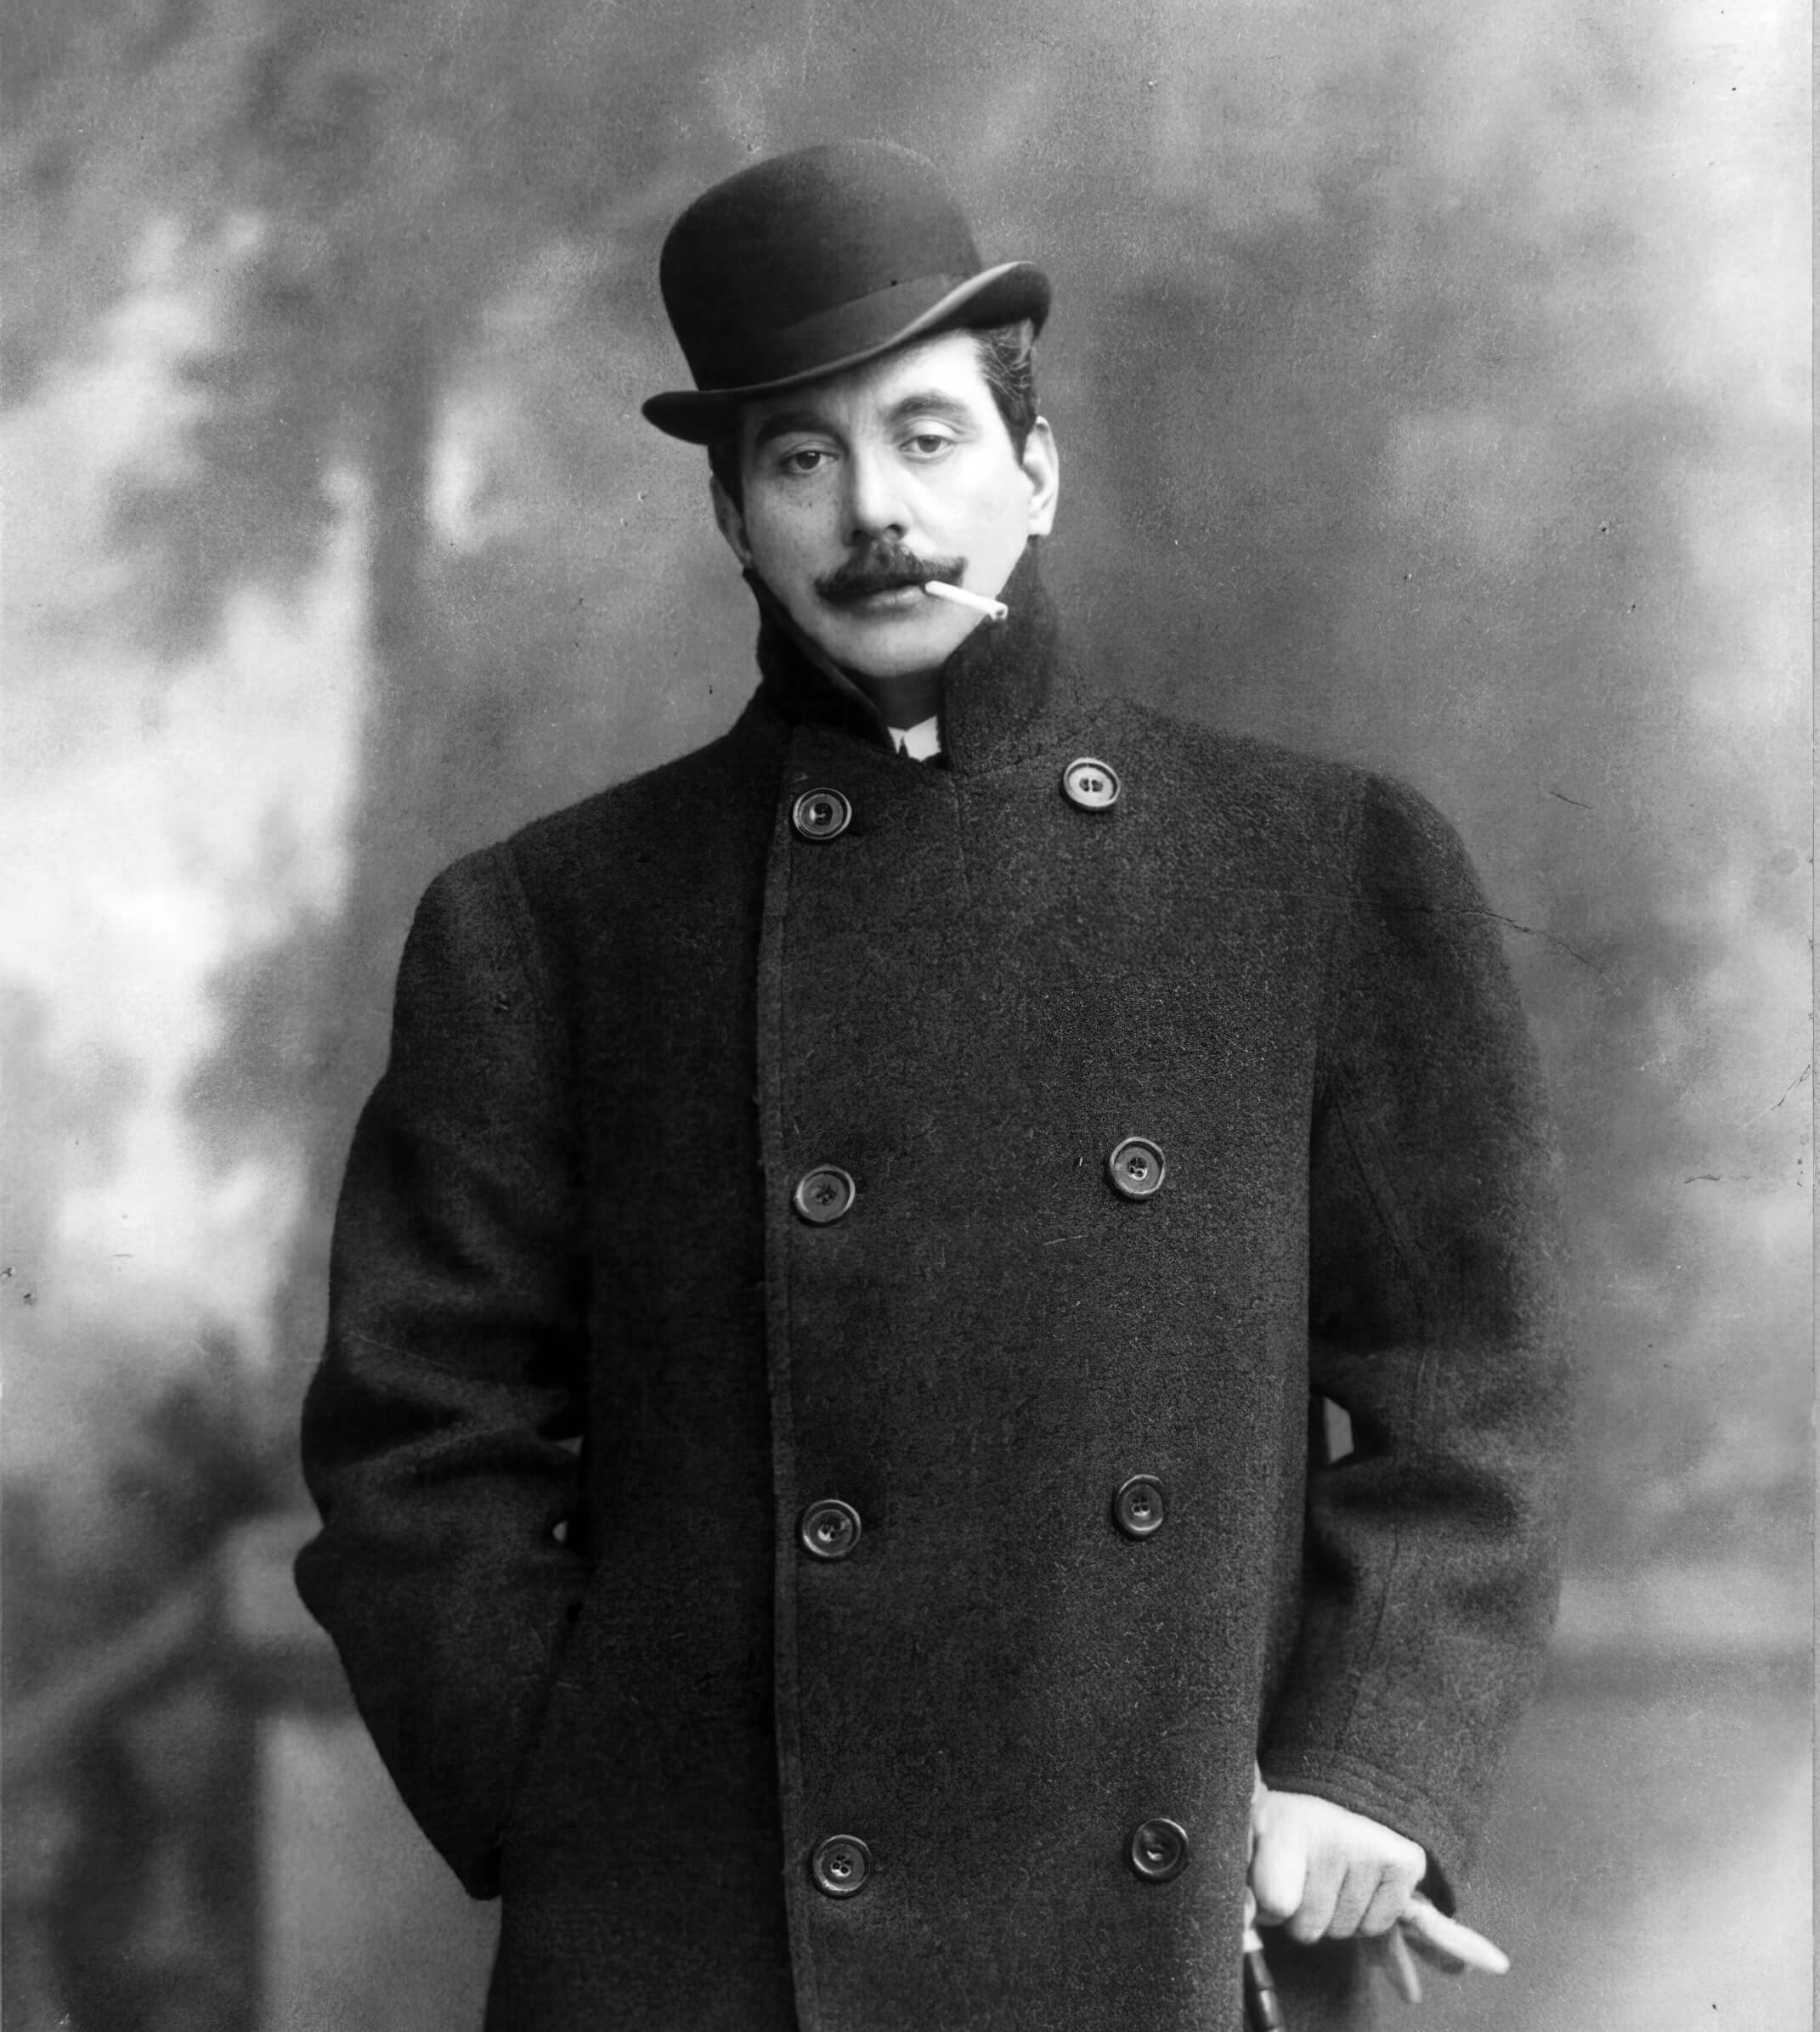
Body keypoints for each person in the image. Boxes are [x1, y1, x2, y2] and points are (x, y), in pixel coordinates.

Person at [295, 141, 1568, 2032]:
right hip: (708, 1951)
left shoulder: (1313, 868)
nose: (875, 511)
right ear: (733, 517)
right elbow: (416, 1443)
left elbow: (1466, 1387)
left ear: (1037, 471)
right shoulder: (548, 922)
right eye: (801, 460)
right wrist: (586, 1813)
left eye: (928, 437)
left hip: (1173, 1929)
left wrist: (1369, 1768)